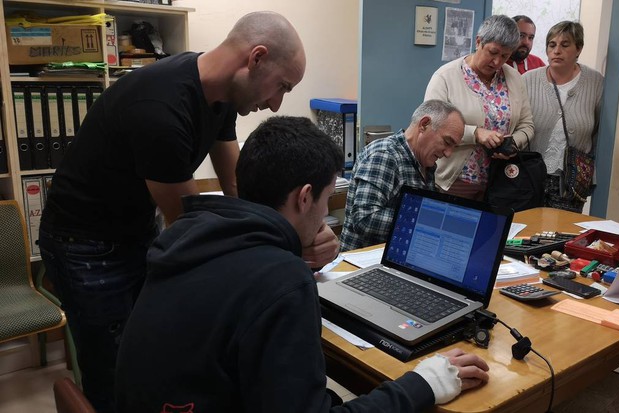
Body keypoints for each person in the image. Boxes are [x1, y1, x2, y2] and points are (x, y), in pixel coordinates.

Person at [37, 12, 339, 412]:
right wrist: (287, 252)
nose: (275, 104)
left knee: (153, 352)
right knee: (115, 373)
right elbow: (191, 224)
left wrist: (297, 231)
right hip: (84, 244)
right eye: (281, 86)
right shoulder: (160, 109)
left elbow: (240, 190)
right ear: (256, 58)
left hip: (132, 228)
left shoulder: (220, 95)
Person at [115, 116, 490, 413]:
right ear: (305, 197)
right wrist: (422, 384)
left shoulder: (186, 234)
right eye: (328, 199)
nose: (326, 214)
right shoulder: (282, 280)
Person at [424, 14, 534, 201]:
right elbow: (432, 126)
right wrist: (476, 134)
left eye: (505, 56)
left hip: (502, 181)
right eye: (493, 52)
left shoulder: (514, 78)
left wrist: (512, 142)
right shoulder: (445, 77)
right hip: (457, 181)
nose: (497, 62)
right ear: (478, 42)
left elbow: (527, 125)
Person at [339, 100, 464, 252]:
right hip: (362, 265)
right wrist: (422, 223)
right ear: (424, 124)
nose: (448, 153)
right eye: (447, 142)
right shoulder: (384, 155)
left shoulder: (425, 164)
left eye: (453, 147)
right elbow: (365, 219)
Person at [523, 21, 604, 213]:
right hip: (529, 176)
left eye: (565, 45)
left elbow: (600, 132)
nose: (557, 50)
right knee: (525, 233)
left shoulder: (596, 82)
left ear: (579, 49)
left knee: (560, 237)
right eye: (552, 45)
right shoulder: (527, 80)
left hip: (571, 182)